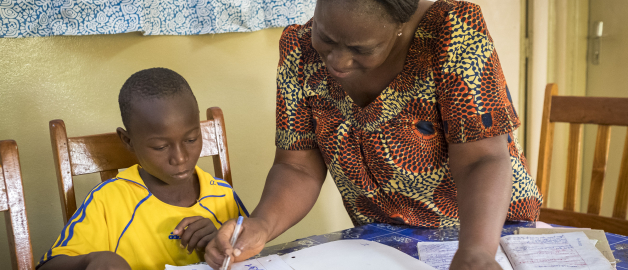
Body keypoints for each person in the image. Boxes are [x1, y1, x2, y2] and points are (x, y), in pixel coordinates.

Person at [205, 0, 542, 269]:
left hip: (487, 236)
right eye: (325, 35)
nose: (337, 61)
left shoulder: (452, 31)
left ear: (401, 26)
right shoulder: (299, 49)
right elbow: (298, 167)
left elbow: (481, 160)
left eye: (361, 49)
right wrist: (262, 224)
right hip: (382, 242)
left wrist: (477, 252)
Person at [37, 68, 248, 270]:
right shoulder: (108, 201)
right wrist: (91, 260)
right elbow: (48, 266)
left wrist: (219, 243)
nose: (180, 158)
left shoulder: (223, 194)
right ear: (128, 141)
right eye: (160, 147)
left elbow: (254, 257)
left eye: (191, 139)